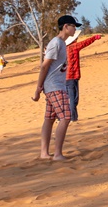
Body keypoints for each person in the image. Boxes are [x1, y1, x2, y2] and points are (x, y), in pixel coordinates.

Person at [32, 15, 80, 161]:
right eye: (73, 26)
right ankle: (57, 154)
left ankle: (44, 153)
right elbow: (44, 66)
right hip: (54, 86)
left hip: (56, 85)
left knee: (50, 118)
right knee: (65, 117)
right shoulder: (56, 43)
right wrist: (38, 88)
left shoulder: (62, 44)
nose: (75, 29)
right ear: (66, 26)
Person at [65, 30, 102, 123]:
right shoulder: (73, 47)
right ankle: (72, 117)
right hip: (73, 76)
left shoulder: (64, 49)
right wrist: (94, 37)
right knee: (74, 98)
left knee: (71, 97)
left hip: (66, 77)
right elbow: (85, 43)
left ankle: (71, 116)